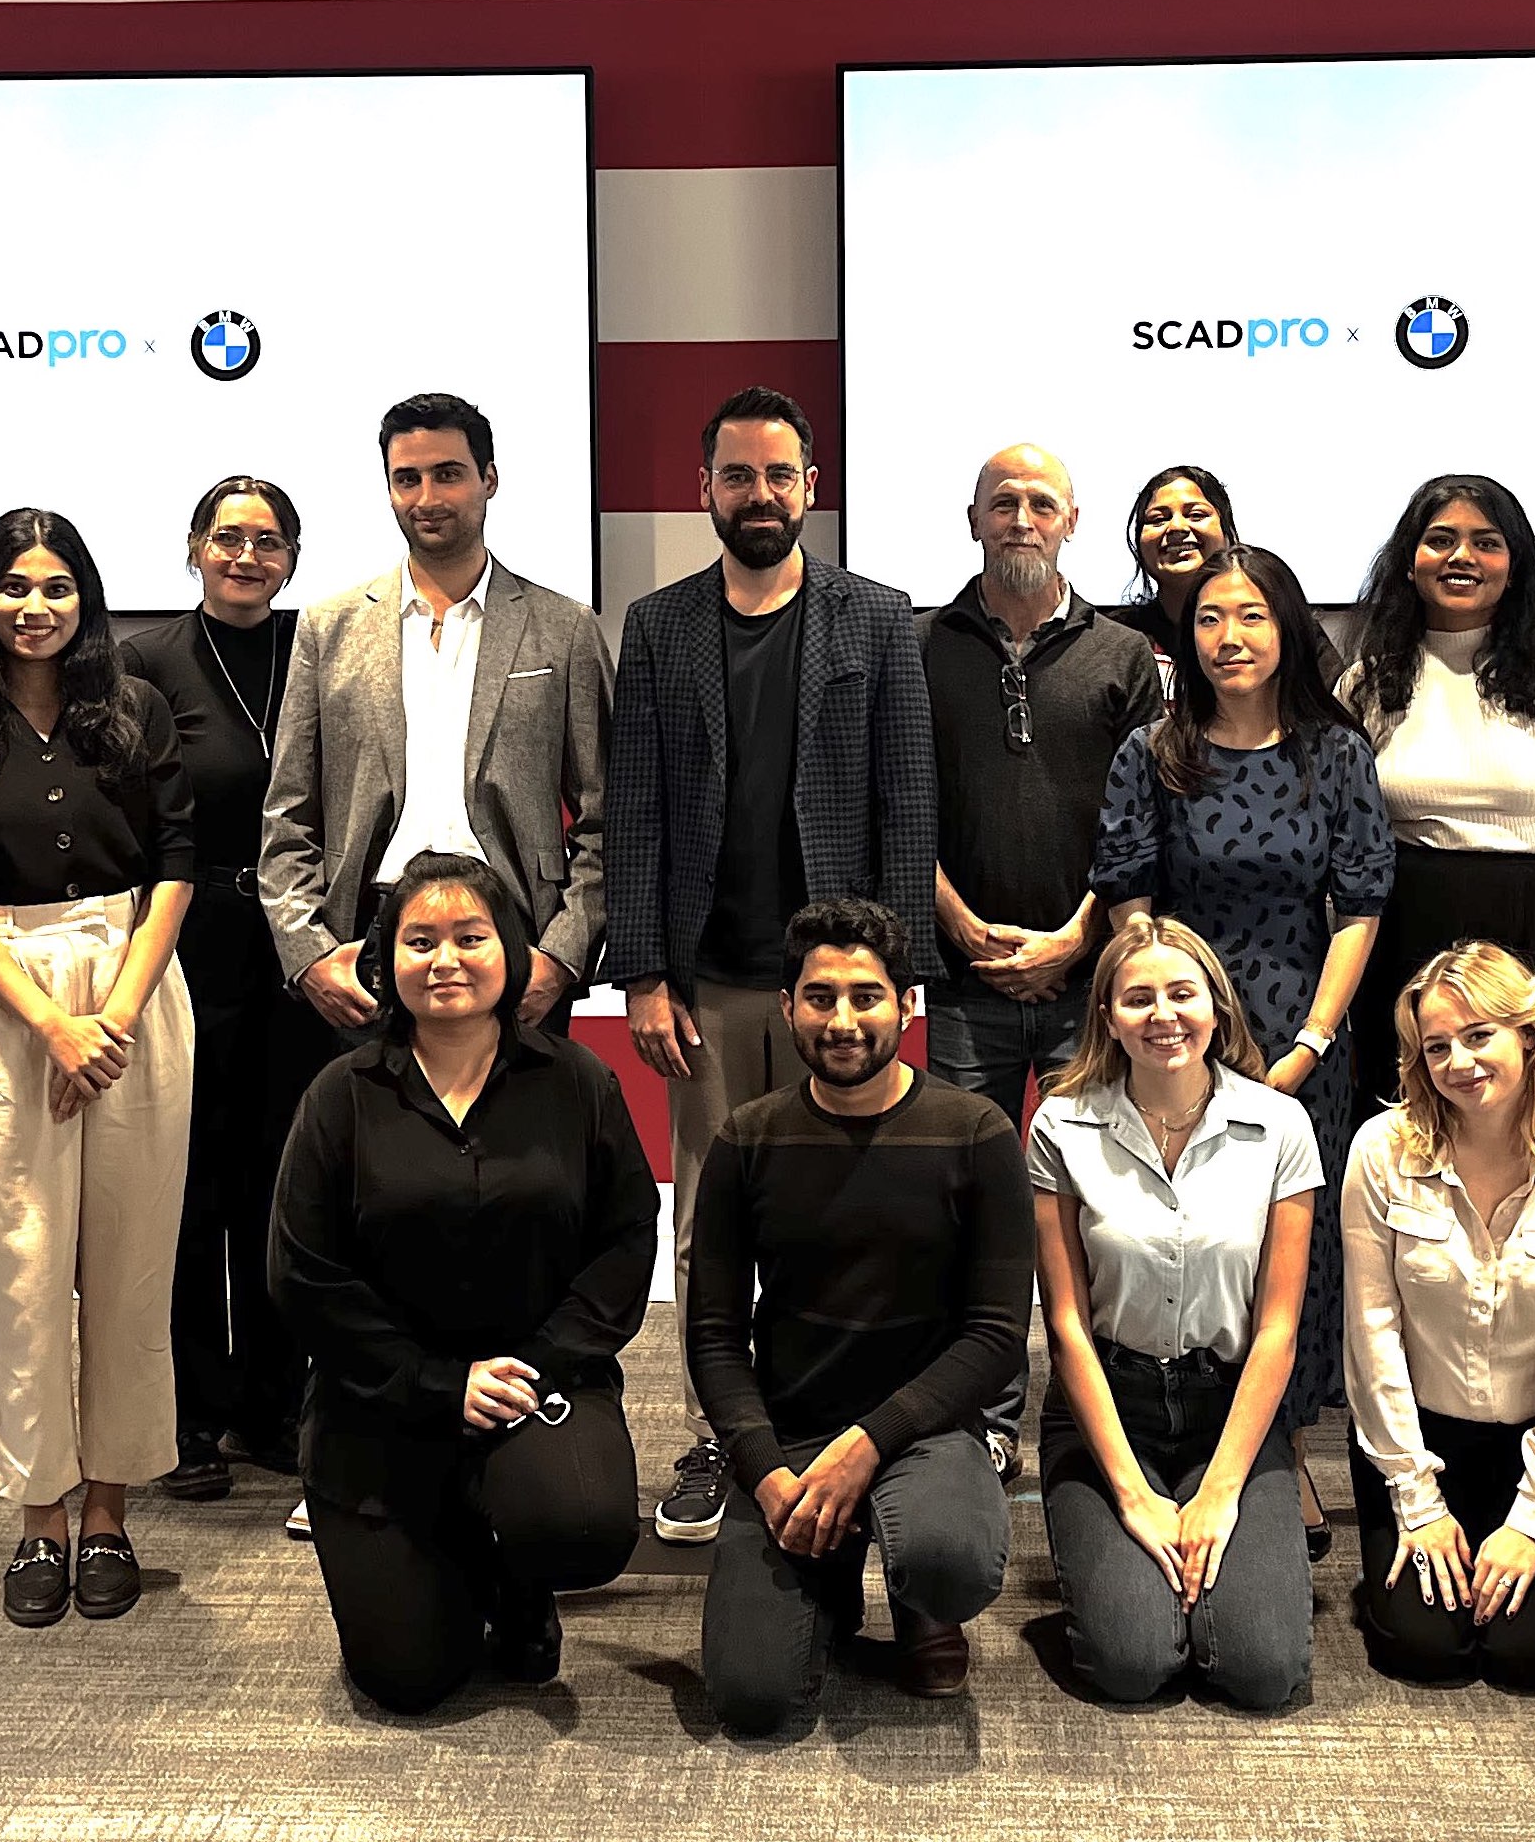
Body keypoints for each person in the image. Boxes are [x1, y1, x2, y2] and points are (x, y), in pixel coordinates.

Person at [610, 387, 938, 1546]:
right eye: (735, 477)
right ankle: (721, 1438)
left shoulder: (875, 619)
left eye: (778, 475)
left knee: (843, 1213)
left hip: (840, 989)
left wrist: (899, 980)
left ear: (812, 486)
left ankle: (847, 1433)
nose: (758, 495)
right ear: (705, 491)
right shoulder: (655, 627)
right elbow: (634, 809)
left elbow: (908, 805)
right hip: (707, 982)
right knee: (707, 1226)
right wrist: (642, 972)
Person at [267, 853, 658, 1714]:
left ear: (511, 951)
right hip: (379, 1409)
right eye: (420, 941)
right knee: (407, 1679)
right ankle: (456, 1553)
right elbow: (304, 1274)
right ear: (386, 959)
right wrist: (439, 1384)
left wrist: (539, 1363)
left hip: (534, 1385)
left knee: (581, 1528)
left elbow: (626, 1239)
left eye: (470, 938)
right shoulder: (340, 1095)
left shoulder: (578, 1082)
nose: (445, 961)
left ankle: (519, 1579)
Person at [0, 508, 197, 1627]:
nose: (36, 606)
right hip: (3, 993)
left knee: (127, 1261)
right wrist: (50, 1026)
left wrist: (109, 1018)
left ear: (86, 600)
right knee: (19, 1268)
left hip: (132, 979)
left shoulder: (134, 709)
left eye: (57, 587)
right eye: (14, 587)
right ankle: (37, 1518)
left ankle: (112, 1510)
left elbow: (177, 862)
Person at [1092, 542, 1387, 1549]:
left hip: (1303, 1040)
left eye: (1251, 617)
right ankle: (1178, 1438)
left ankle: (1281, 1447)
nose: (1229, 637)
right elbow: (1130, 904)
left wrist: (1305, 1045)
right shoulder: (1152, 750)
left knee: (1292, 1257)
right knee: (1189, 1237)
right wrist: (1164, 1032)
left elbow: (1358, 907)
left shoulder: (1334, 753)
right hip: (1174, 1033)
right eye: (1210, 619)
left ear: (1286, 629)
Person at [688, 899, 1032, 1733]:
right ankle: (828, 1569)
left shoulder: (974, 1132)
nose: (842, 1021)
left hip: (929, 1428)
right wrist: (763, 1467)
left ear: (906, 1004)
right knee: (751, 1701)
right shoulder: (749, 1138)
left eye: (866, 996)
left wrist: (871, 1441)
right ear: (786, 1007)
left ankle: (924, 1602)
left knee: (946, 1558)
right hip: (793, 1428)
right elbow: (711, 1334)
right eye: (820, 997)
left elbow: (994, 1336)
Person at [918, 442, 1163, 1477]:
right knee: (965, 1205)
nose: (1020, 518)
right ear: (972, 519)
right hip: (961, 979)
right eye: (1001, 502)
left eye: (1040, 504)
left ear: (1070, 522)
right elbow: (899, 800)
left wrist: (1079, 936)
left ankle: (1086, 1416)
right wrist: (958, 922)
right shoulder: (919, 645)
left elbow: (1145, 818)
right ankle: (980, 1416)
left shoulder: (1123, 657)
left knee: (1095, 1208)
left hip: (1087, 982)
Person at [1027, 919, 1317, 1710]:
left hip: (1228, 1406)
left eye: (1182, 993)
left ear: (1215, 1008)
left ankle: (1201, 1579)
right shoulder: (1060, 1124)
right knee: (1131, 1665)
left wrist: (1221, 1490)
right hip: (1109, 1409)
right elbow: (1066, 1329)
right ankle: (1149, 1588)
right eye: (1138, 997)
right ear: (1107, 1018)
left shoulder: (1279, 1126)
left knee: (1260, 1673)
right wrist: (1130, 1495)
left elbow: (1278, 1328)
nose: (1164, 1015)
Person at [259, 392, 610, 1041]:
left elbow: (607, 818)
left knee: (518, 1140)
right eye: (407, 478)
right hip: (369, 933)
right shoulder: (329, 628)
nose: (427, 497)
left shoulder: (563, 629)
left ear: (489, 479)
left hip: (515, 933)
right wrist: (306, 953)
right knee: (378, 1137)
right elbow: (287, 815)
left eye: (448, 473)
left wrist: (562, 955)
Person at [1343, 943, 1535, 1685]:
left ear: (1528, 1037)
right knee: (1424, 1651)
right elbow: (1371, 1334)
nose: (1458, 1062)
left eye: (1478, 1037)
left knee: (1525, 1657)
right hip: (1416, 1440)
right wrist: (1415, 1499)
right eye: (1436, 1047)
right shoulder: (1380, 1152)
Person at [124, 477, 327, 1501]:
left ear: (291, 555)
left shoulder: (320, 648)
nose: (246, 557)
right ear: (194, 547)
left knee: (279, 1176)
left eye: (267, 541)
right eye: (227, 538)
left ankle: (271, 1401)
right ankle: (191, 1413)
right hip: (187, 938)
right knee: (190, 1182)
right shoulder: (144, 662)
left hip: (297, 942)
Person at [1339, 474, 1535, 1135]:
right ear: (1408, 562)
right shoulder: (1369, 680)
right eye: (1439, 540)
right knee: (1416, 1141)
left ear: (1515, 565)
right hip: (1405, 936)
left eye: (1485, 542)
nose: (1460, 557)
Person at [1107, 463, 1238, 669]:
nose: (1177, 527)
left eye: (1196, 515)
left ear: (1228, 534)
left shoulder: (1272, 628)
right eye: (1158, 519)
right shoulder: (1111, 641)